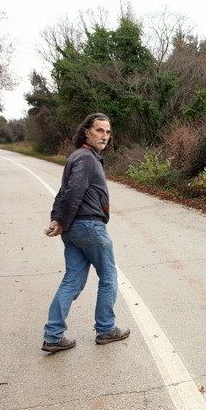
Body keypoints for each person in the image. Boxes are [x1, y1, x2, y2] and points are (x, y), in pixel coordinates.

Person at [42, 113, 130, 352]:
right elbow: (72, 193)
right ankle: (106, 330)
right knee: (109, 278)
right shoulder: (87, 159)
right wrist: (60, 219)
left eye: (108, 132)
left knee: (72, 281)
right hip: (89, 227)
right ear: (86, 132)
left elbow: (64, 191)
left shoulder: (80, 157)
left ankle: (53, 336)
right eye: (99, 130)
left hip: (74, 230)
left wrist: (58, 219)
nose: (104, 136)